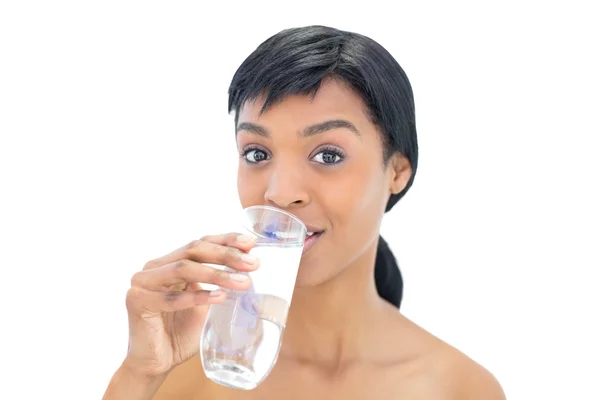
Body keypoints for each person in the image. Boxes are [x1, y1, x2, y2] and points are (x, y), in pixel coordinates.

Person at [103, 25, 505, 399]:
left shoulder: (459, 388)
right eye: (256, 153)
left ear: (397, 171)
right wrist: (140, 374)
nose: (279, 193)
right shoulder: (183, 370)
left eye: (328, 155)